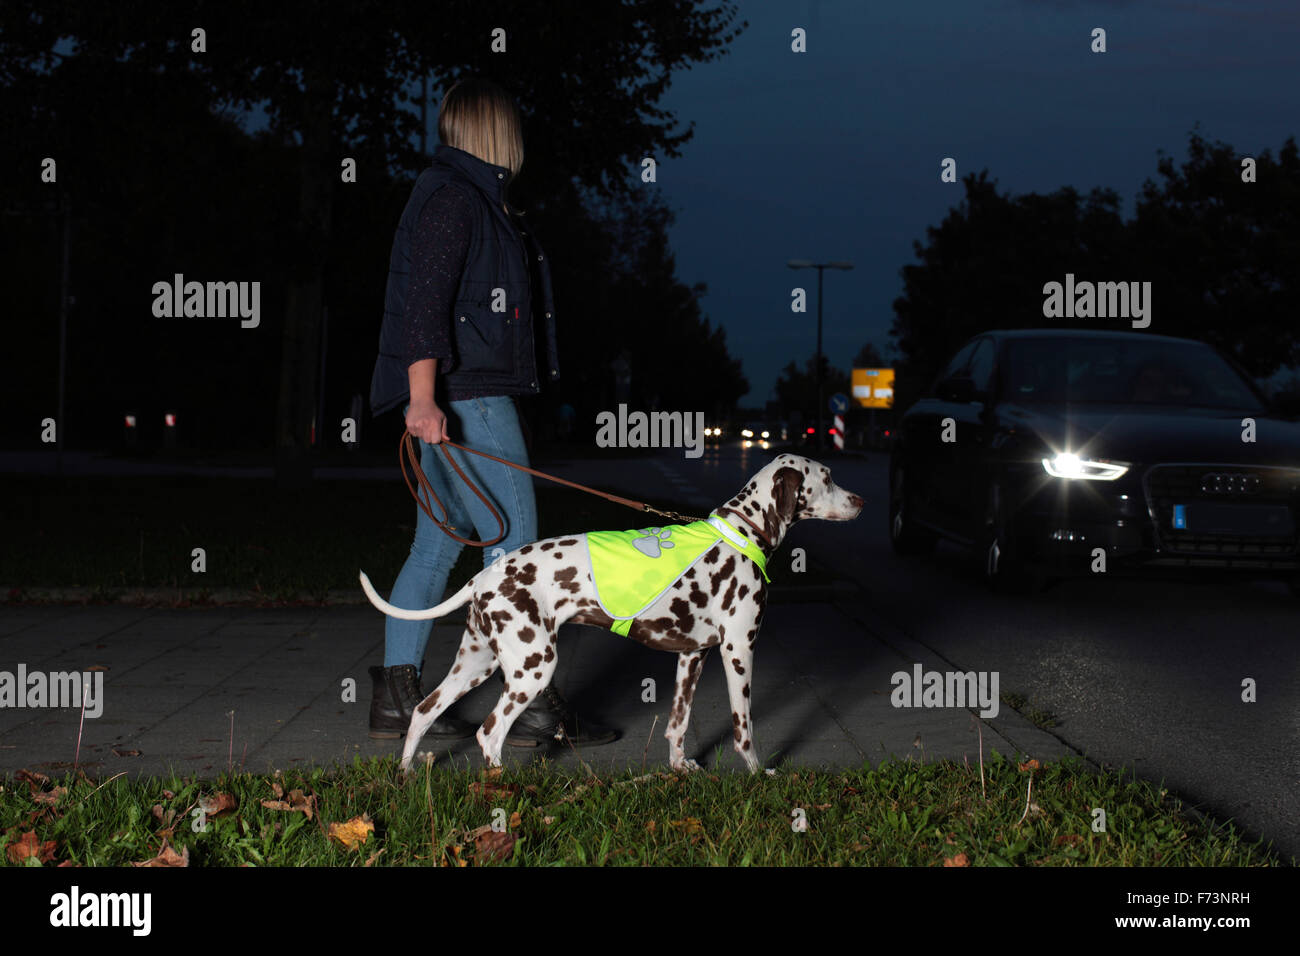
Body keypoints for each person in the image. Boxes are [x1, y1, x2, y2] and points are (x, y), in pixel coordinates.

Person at [367, 77, 618, 750]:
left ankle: (397, 698)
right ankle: (532, 703)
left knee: (438, 544)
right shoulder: (457, 200)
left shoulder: (467, 197)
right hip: (465, 395)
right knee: (518, 552)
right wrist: (421, 399)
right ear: (495, 130)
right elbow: (425, 305)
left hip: (453, 399)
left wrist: (425, 401)